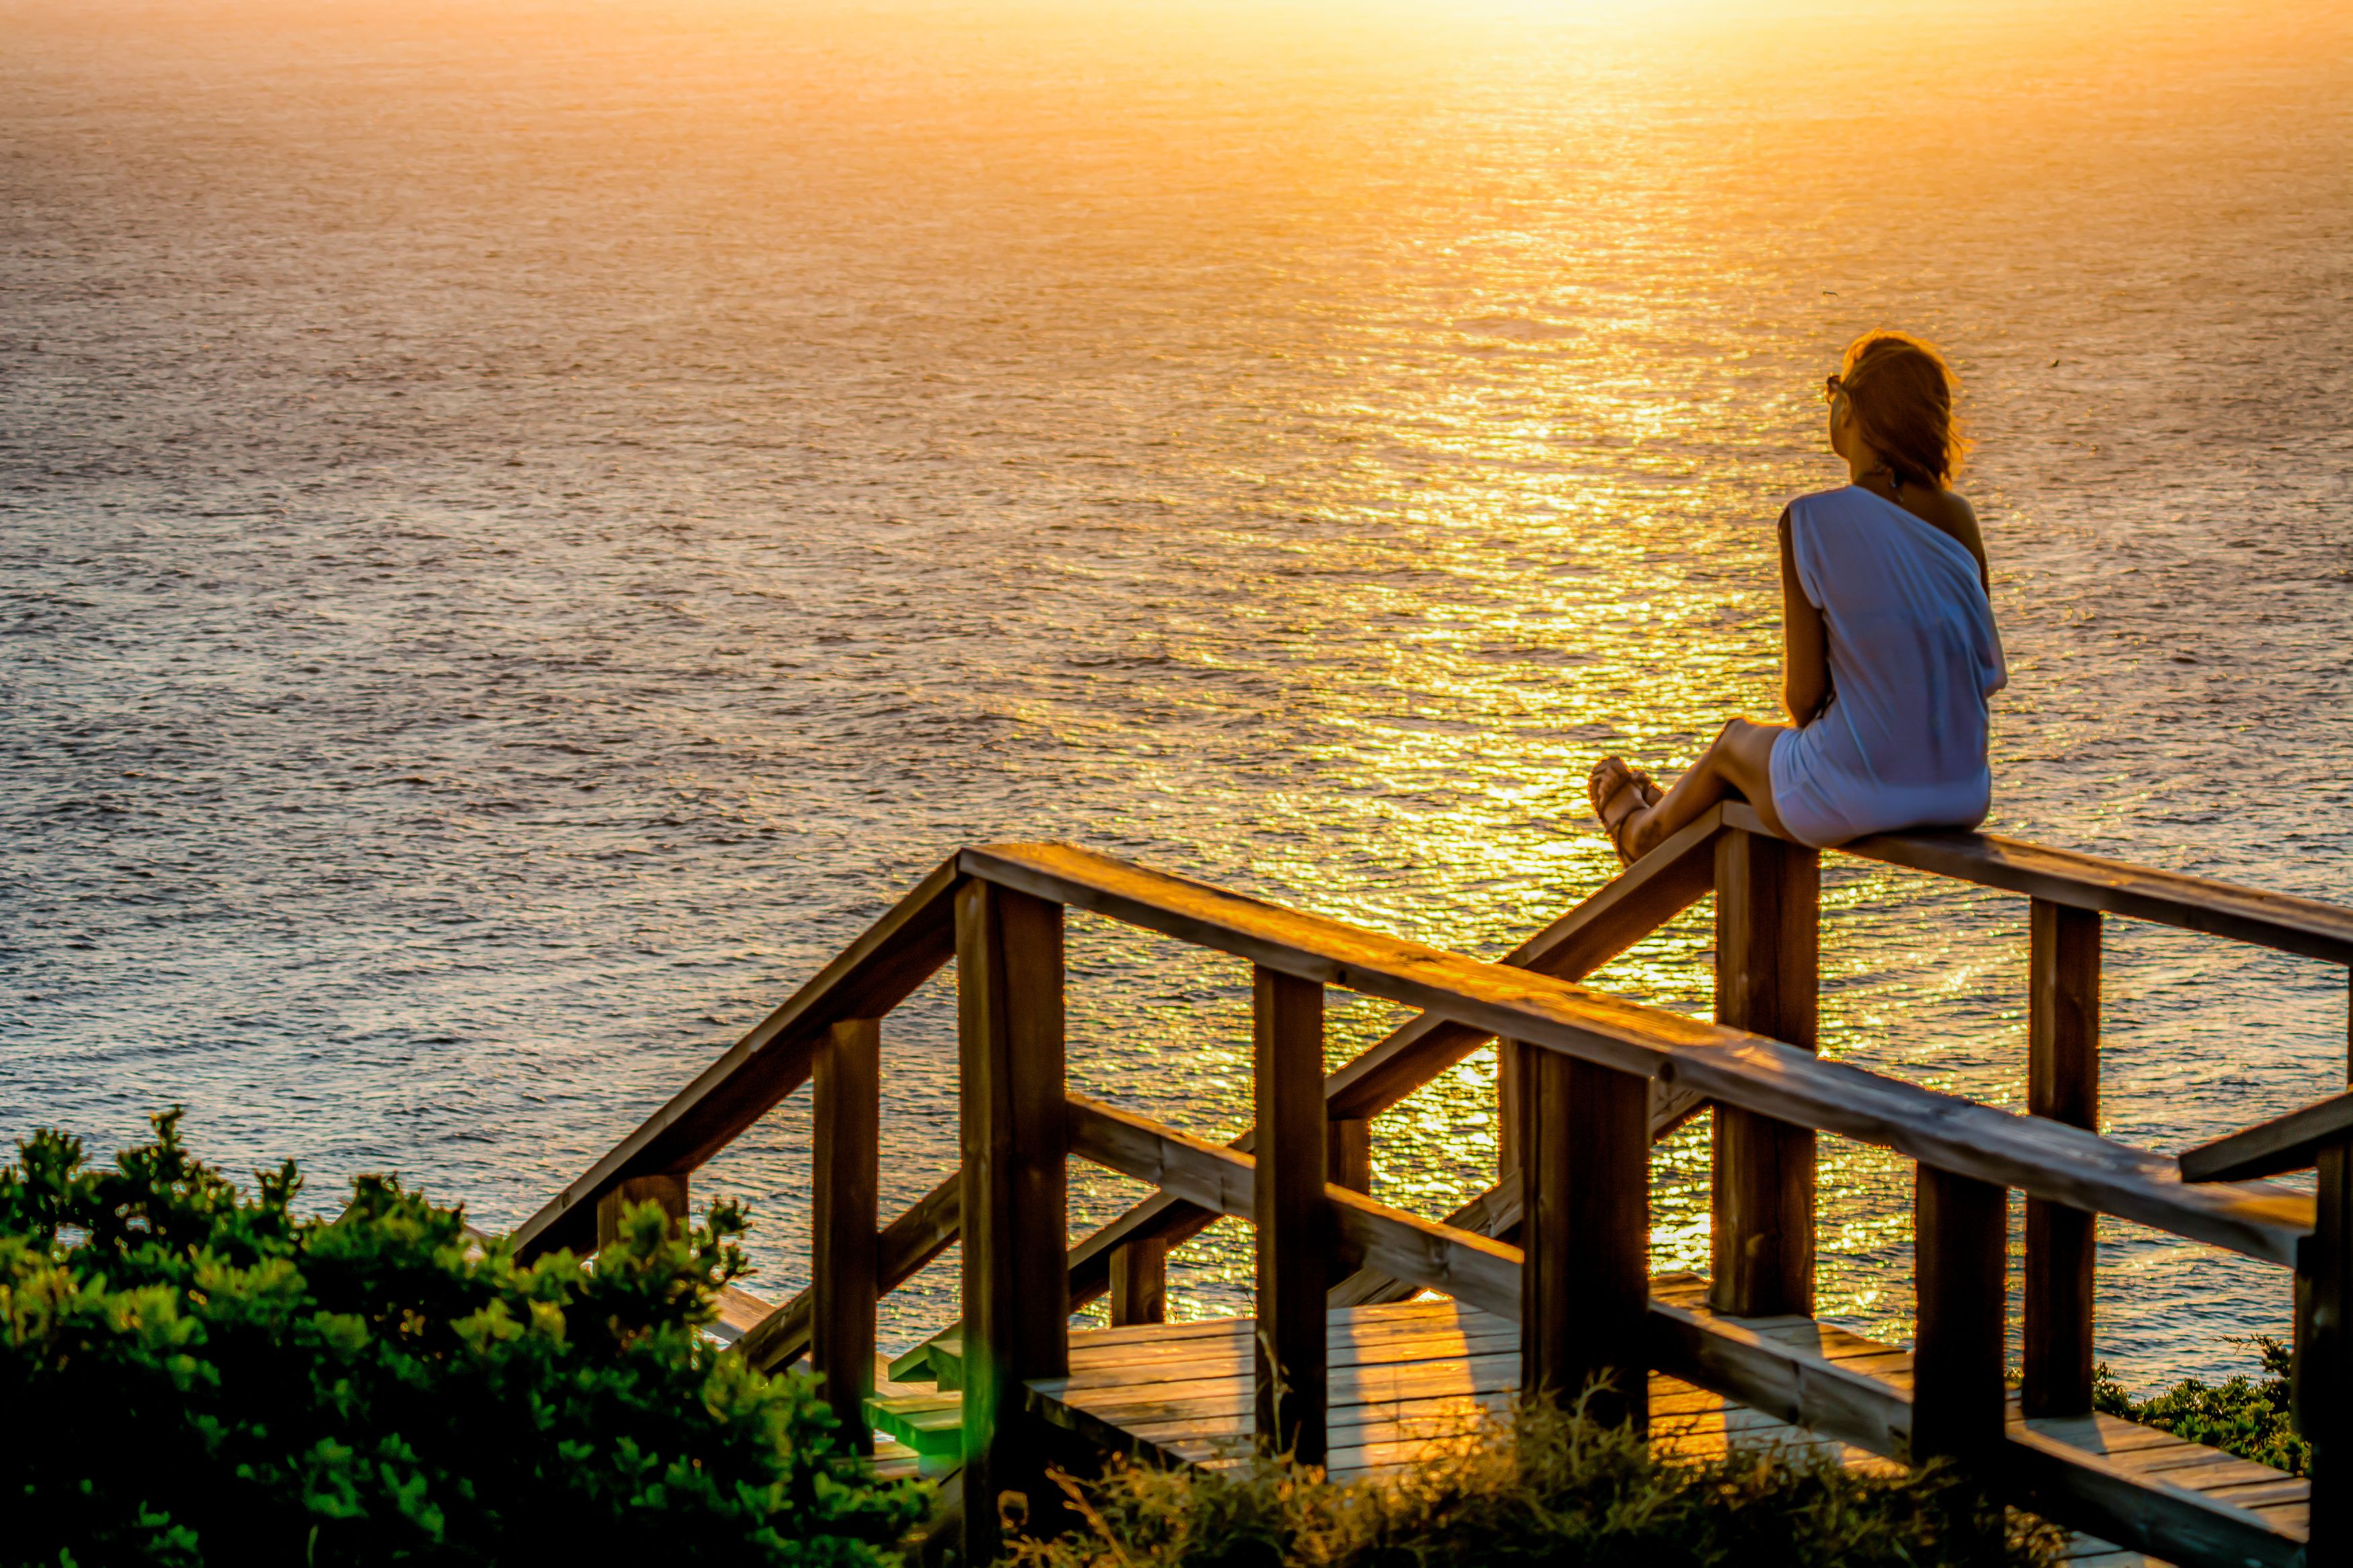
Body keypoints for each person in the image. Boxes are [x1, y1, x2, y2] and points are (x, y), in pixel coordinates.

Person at [1587, 331, 2006, 864]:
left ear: (1851, 409)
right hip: (1962, 792)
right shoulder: (1960, 519)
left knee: (1734, 744)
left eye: (1833, 389)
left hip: (1857, 796)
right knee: (1774, 762)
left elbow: (1804, 701)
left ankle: (1643, 834)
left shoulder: (1809, 521)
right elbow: (1981, 670)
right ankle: (1671, 807)